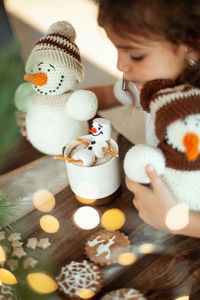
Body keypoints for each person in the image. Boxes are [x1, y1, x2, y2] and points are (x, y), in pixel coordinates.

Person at [89, 0, 200, 238]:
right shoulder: (150, 86)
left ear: (191, 45)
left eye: (136, 55)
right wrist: (56, 103)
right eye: (116, 49)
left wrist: (179, 222)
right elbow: (108, 95)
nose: (119, 64)